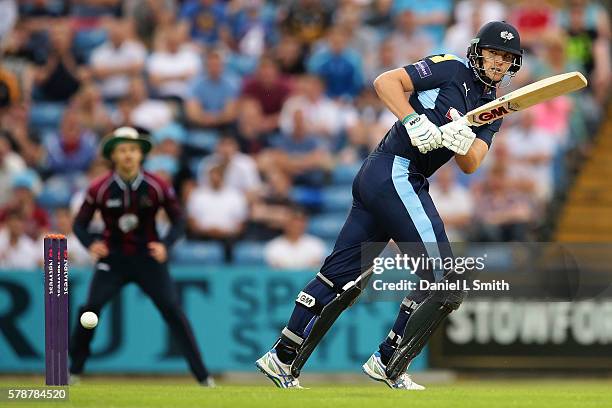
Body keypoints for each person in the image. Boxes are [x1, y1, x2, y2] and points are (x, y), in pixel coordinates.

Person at [255, 21, 523, 389]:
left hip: (389, 178)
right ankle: (388, 360)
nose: (498, 61)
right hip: (395, 169)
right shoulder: (451, 67)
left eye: (506, 57)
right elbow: (385, 82)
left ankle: (282, 357)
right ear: (478, 51)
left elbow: (472, 162)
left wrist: (461, 140)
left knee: (342, 276)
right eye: (494, 52)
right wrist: (413, 120)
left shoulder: (494, 107)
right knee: (444, 277)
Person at [69, 127, 214, 386]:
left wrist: (166, 245)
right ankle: (74, 371)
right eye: (122, 150)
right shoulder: (99, 188)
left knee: (172, 310)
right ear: (113, 155)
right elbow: (79, 224)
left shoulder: (157, 185)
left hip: (148, 259)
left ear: (140, 155)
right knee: (89, 310)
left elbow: (179, 219)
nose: (128, 155)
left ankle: (203, 377)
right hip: (113, 260)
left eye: (133, 150)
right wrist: (91, 244)